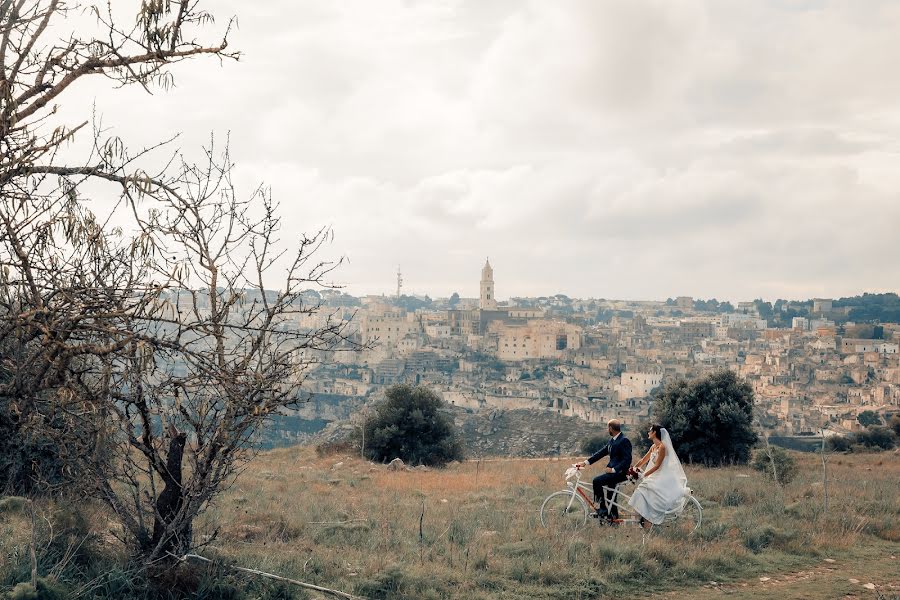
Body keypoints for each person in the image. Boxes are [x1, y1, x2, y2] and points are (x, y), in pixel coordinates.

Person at [628, 424, 690, 529]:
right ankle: (643, 521)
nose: (648, 433)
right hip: (654, 476)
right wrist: (633, 469)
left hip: (662, 477)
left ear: (654, 432)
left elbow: (657, 466)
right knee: (642, 493)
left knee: (642, 490)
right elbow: (643, 460)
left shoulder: (662, 447)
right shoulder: (653, 447)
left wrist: (643, 474)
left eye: (650, 431)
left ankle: (646, 521)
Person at [578, 419, 632, 521]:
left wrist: (613, 470)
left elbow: (627, 460)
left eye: (608, 428)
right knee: (611, 497)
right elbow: (601, 453)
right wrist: (585, 462)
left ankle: (602, 510)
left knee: (597, 481)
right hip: (613, 473)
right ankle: (612, 520)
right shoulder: (613, 440)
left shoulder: (624, 440)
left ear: (611, 428)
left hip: (619, 473)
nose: (608, 430)